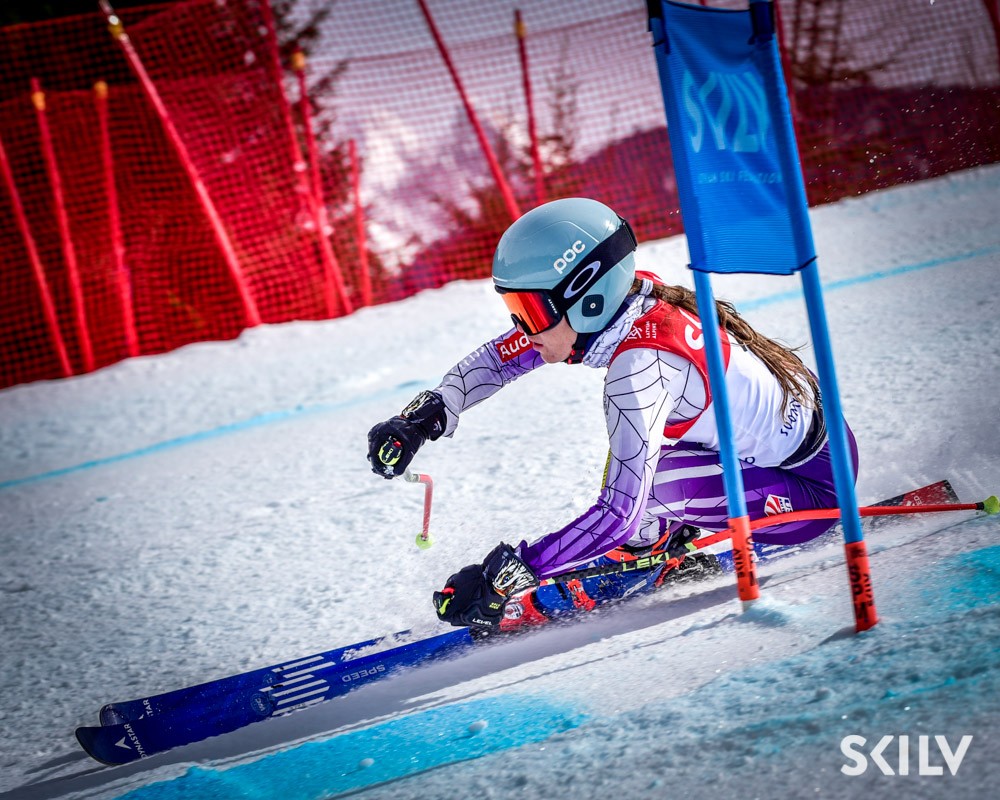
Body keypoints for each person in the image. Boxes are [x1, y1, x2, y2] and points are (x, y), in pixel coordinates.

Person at [366, 198, 857, 633]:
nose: (522, 328)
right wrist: (427, 415)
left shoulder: (640, 371)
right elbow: (504, 357)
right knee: (638, 459)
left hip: (813, 495)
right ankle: (658, 541)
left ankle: (645, 562)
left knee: (646, 485)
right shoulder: (636, 300)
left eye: (531, 311)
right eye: (515, 310)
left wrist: (503, 577)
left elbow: (619, 515)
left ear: (588, 298)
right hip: (818, 451)